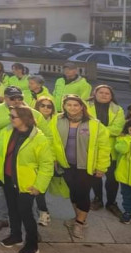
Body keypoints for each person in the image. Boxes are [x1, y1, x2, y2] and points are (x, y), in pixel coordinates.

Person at [0, 106, 54, 253]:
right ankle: (15, 235)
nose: (10, 119)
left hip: (27, 183)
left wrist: (39, 186)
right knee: (12, 209)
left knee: (26, 213)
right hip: (8, 178)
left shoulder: (38, 138)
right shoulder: (7, 131)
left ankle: (32, 245)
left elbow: (47, 165)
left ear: (24, 119)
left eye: (13, 117)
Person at [47, 94, 111, 239]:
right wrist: (53, 159)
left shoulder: (94, 124)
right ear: (64, 106)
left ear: (82, 106)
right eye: (69, 105)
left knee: (82, 193)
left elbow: (104, 147)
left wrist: (101, 167)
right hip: (66, 165)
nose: (72, 108)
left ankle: (80, 223)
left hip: (86, 166)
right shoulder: (56, 120)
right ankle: (79, 218)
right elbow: (51, 141)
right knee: (73, 192)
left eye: (76, 105)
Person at [87, 85, 126, 216]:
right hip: (92, 146)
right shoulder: (86, 106)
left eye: (107, 93)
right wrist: (104, 131)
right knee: (94, 175)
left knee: (112, 178)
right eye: (101, 92)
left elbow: (118, 128)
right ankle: (98, 199)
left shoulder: (117, 109)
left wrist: (98, 131)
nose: (104, 95)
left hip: (110, 148)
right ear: (95, 93)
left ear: (111, 96)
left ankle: (111, 203)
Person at [32, 96, 57, 226]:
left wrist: (54, 158)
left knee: (42, 186)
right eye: (43, 105)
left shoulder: (57, 121)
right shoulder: (32, 119)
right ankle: (43, 211)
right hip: (34, 158)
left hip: (51, 159)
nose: (46, 108)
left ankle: (43, 211)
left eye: (49, 106)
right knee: (37, 186)